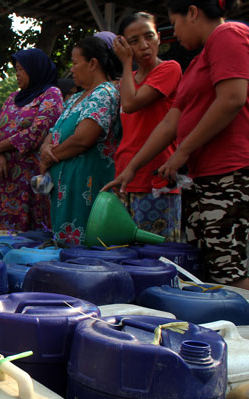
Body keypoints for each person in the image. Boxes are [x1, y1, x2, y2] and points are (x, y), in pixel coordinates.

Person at [104, 0, 249, 290]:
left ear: (193, 12)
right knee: (204, 261)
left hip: (232, 166)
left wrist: (182, 152)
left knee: (225, 262)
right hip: (206, 171)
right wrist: (131, 168)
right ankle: (216, 329)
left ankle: (244, 333)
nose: (174, 33)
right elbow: (170, 124)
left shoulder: (229, 34)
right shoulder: (198, 62)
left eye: (175, 22)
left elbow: (232, 98)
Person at [39, 36, 122, 245]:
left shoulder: (105, 93)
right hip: (65, 190)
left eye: (76, 63)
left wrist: (50, 157)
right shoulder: (77, 97)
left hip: (86, 188)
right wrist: (46, 146)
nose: (72, 69)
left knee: (85, 252)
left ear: (93, 63)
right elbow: (55, 129)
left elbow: (83, 139)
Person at [112, 12, 183, 241]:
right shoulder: (128, 79)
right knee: (126, 254)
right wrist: (127, 68)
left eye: (149, 36)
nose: (144, 45)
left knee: (156, 257)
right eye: (134, 41)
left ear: (159, 38)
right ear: (124, 44)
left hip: (155, 176)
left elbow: (131, 104)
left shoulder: (169, 69)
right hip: (125, 175)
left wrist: (124, 61)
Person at [0, 49, 63, 231]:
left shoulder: (51, 94)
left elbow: (38, 131)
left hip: (33, 174)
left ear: (34, 69)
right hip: (5, 176)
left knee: (36, 226)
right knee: (4, 231)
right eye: (16, 69)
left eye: (22, 69)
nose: (17, 74)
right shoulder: (13, 97)